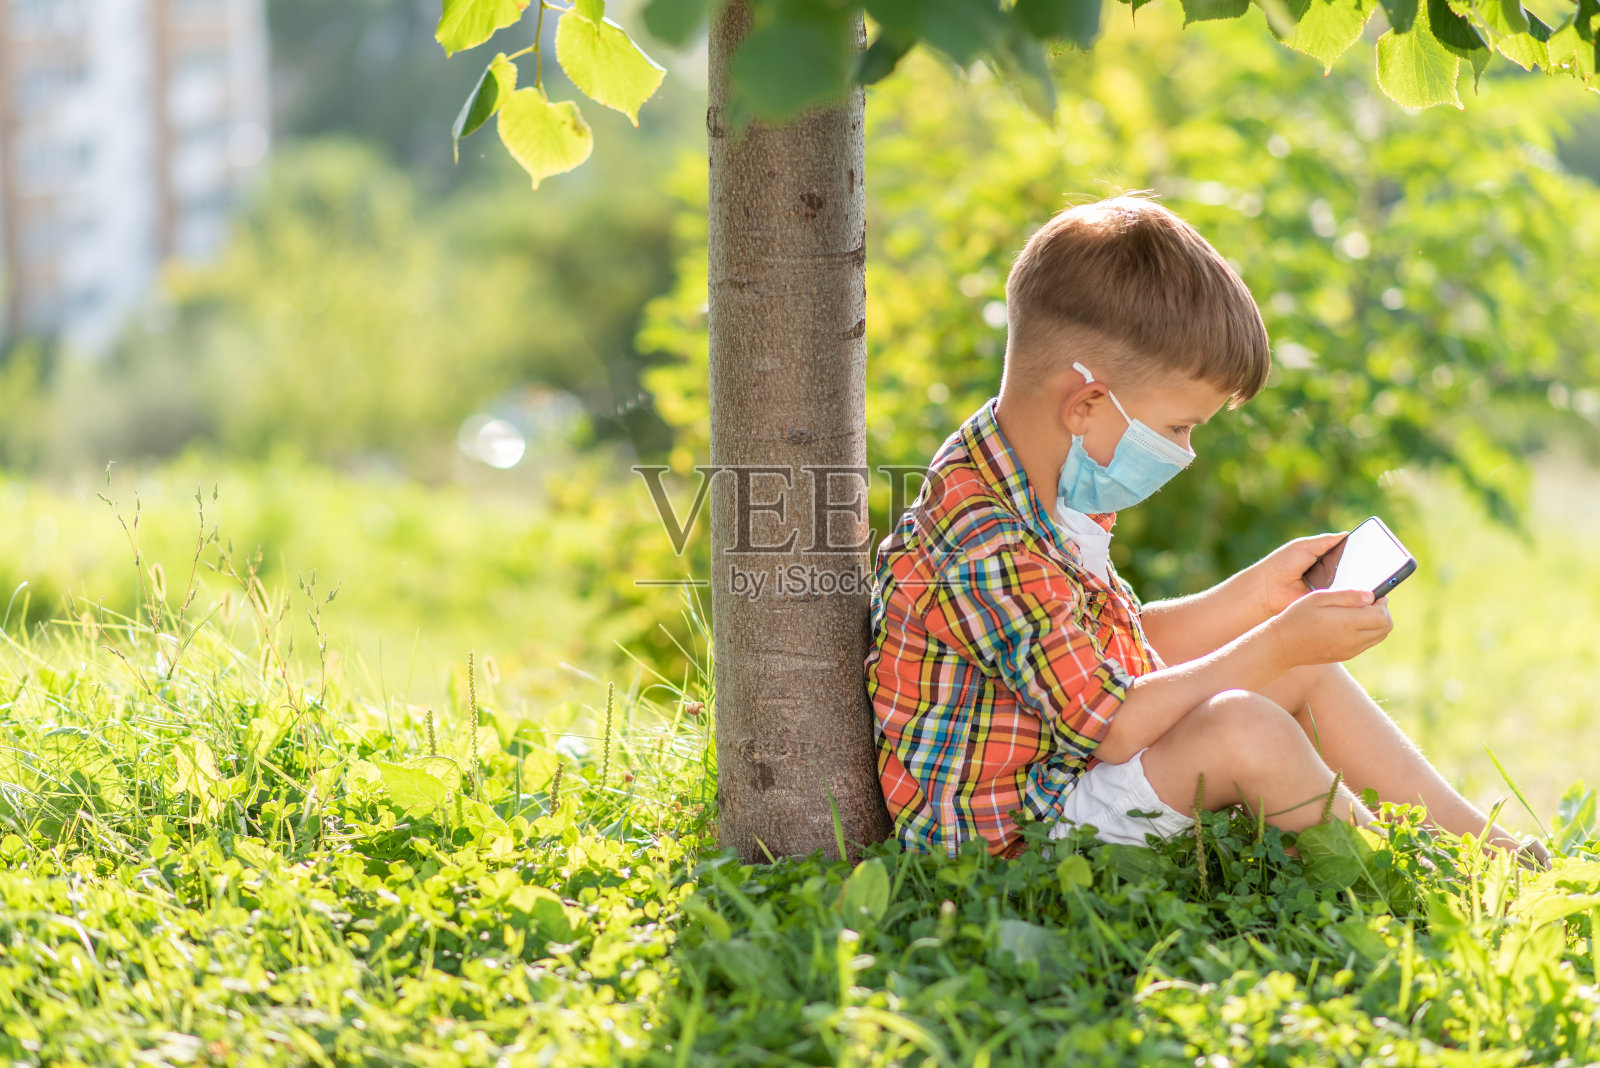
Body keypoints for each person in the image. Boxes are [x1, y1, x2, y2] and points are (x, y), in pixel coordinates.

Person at [865, 194, 1550, 870]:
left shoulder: (1039, 478)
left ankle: (1494, 858)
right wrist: (1277, 640)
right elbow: (1115, 724)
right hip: (1016, 848)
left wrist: (1258, 601)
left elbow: (1117, 651)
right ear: (1088, 404)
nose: (1185, 453)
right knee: (1243, 729)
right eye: (1177, 428)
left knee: (1300, 667)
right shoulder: (987, 540)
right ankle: (1420, 884)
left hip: (1065, 780)